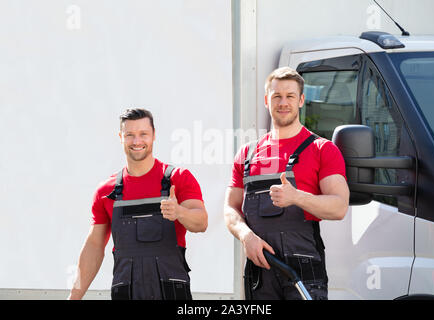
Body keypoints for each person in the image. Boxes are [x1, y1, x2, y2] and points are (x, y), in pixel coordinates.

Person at [224, 67, 349, 300]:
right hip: (260, 272)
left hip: (303, 272)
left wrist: (296, 197)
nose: (283, 102)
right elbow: (230, 208)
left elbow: (339, 206)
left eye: (290, 96)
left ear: (301, 100)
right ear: (266, 100)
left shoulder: (322, 149)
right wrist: (245, 235)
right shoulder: (247, 154)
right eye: (276, 96)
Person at [68, 108, 208, 300]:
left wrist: (179, 212)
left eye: (143, 134)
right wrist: (74, 297)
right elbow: (94, 245)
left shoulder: (178, 178)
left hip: (171, 294)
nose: (137, 141)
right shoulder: (106, 191)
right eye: (130, 135)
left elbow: (201, 223)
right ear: (120, 137)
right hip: (126, 293)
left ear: (154, 135)